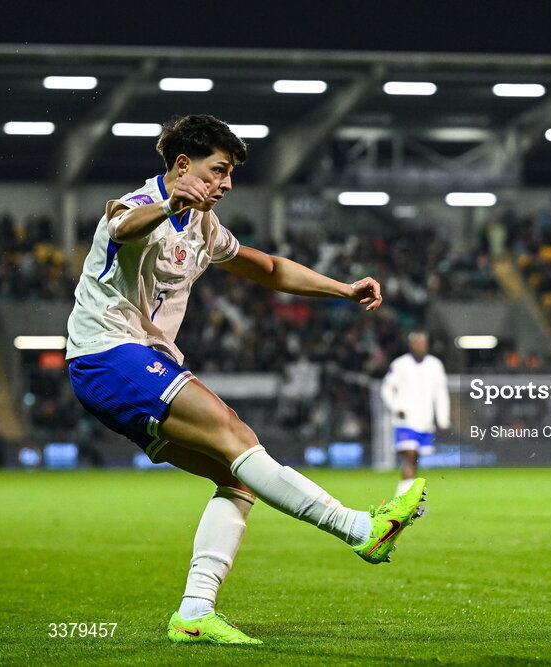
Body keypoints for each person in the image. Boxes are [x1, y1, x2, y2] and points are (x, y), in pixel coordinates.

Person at [65, 115, 426, 645]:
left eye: (230, 173)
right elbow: (122, 227)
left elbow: (271, 270)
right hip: (107, 355)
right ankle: (360, 530)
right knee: (236, 434)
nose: (227, 184)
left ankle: (194, 612)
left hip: (131, 363)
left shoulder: (205, 226)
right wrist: (167, 205)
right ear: (183, 166)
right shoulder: (136, 204)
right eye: (218, 170)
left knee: (236, 478)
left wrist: (343, 290)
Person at [381, 332, 450, 496]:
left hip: (425, 420)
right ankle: (402, 501)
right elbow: (386, 388)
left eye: (424, 343)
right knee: (410, 455)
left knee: (415, 459)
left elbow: (440, 393)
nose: (421, 346)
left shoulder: (435, 365)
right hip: (405, 419)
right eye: (418, 343)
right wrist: (396, 408)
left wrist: (442, 418)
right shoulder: (400, 364)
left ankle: (409, 500)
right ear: (411, 345)